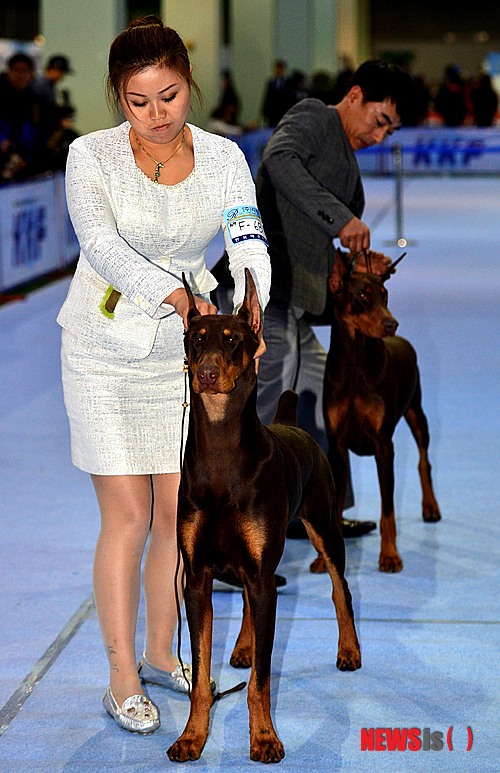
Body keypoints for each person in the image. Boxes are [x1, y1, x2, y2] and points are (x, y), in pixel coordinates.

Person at [56, 15, 270, 735]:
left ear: (191, 85)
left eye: (169, 97)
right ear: (118, 96)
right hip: (102, 350)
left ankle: (159, 651)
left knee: (178, 517)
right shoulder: (90, 156)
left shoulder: (224, 158)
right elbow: (102, 247)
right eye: (138, 101)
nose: (154, 115)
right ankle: (121, 678)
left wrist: (252, 310)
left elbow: (247, 239)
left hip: (187, 361)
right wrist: (176, 295)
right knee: (129, 514)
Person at [212, 60, 414, 539]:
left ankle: (316, 507)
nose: (381, 137)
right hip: (261, 293)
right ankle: (236, 527)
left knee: (325, 389)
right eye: (380, 120)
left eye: (392, 130)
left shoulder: (344, 156)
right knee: (264, 398)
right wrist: (340, 219)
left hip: (293, 298)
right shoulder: (313, 117)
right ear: (355, 96)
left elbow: (320, 241)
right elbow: (278, 161)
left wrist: (352, 262)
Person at [0, 53, 44, 181]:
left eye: (25, 71)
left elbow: (35, 132)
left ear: (31, 74)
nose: (20, 76)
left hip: (26, 160)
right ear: (9, 72)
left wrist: (27, 157)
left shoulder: (35, 101)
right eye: (16, 70)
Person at [261, 59, 289, 127]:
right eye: (277, 68)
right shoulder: (271, 82)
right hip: (272, 113)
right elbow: (267, 98)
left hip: (283, 112)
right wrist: (264, 112)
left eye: (280, 68)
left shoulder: (288, 83)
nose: (278, 70)